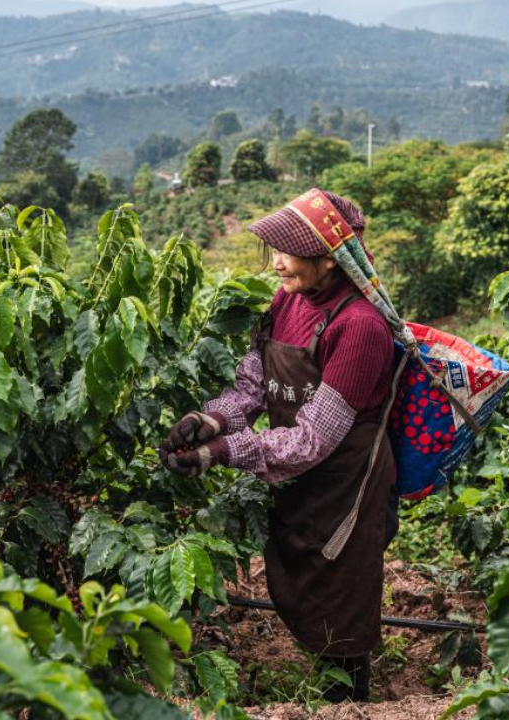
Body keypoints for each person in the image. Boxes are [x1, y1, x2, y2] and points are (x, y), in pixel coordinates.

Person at [159, 188, 398, 703]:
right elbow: (253, 384)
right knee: (303, 580)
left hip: (344, 479)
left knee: (342, 597)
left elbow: (316, 437)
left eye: (287, 253)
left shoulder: (360, 327)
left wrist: (222, 453)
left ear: (329, 258)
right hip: (296, 470)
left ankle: (347, 704)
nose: (276, 265)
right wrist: (209, 421)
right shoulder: (288, 299)